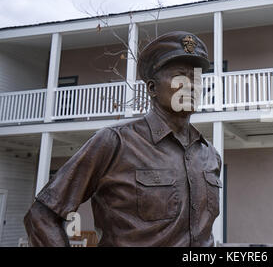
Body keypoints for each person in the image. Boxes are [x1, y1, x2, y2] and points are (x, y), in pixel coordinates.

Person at [24, 31, 222, 247]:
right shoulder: (114, 142)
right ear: (152, 88)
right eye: (180, 77)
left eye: (196, 78)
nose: (191, 85)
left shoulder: (209, 155)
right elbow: (42, 216)